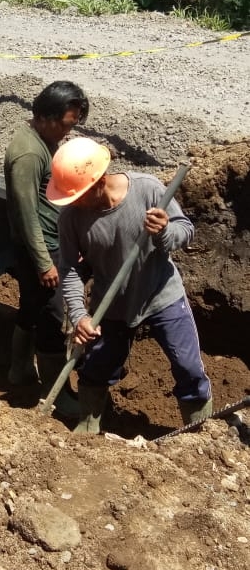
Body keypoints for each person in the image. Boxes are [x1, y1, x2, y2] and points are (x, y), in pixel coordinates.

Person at [48, 136, 212, 433]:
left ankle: (200, 432)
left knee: (188, 367)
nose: (73, 202)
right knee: (95, 369)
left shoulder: (147, 189)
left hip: (161, 295)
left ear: (99, 181)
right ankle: (87, 429)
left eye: (78, 195)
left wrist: (164, 232)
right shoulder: (71, 219)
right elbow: (70, 269)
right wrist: (80, 315)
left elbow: (185, 230)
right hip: (112, 304)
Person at [4, 81, 90, 417]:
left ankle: (19, 369)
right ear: (45, 116)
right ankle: (55, 394)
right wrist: (44, 262)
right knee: (52, 318)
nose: (68, 132)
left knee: (31, 307)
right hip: (40, 249)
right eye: (66, 124)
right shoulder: (28, 155)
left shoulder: (43, 140)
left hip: (45, 244)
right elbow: (26, 213)